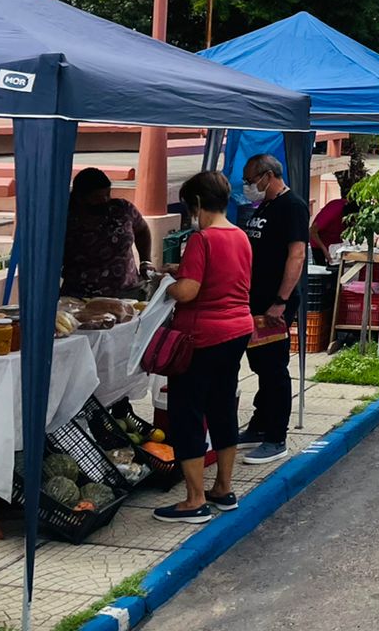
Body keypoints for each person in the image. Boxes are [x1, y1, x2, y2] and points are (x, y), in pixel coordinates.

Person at [156, 170, 255, 523]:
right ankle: (223, 488)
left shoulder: (203, 240)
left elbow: (188, 291)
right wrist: (182, 271)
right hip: (237, 331)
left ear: (196, 203)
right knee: (222, 407)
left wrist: (166, 282)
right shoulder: (241, 236)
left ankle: (194, 499)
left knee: (188, 413)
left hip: (202, 337)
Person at [236, 153, 309, 467]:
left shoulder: (292, 206)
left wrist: (280, 300)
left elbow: (297, 255)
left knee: (273, 367)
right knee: (260, 365)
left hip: (273, 304)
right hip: (254, 300)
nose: (249, 186)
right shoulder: (264, 204)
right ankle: (260, 422)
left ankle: (275, 437)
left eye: (252, 180)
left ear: (267, 175)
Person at [61, 167, 151, 299]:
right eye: (97, 197)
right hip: (79, 298)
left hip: (128, 292)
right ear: (80, 198)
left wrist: (145, 262)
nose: (104, 200)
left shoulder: (122, 210)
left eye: (107, 194)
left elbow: (142, 230)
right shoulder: (65, 220)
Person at [309, 168, 353, 264]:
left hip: (334, 244)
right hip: (319, 243)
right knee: (323, 271)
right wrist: (324, 250)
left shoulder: (352, 208)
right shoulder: (333, 213)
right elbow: (312, 231)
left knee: (336, 271)